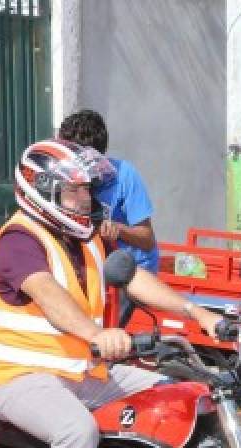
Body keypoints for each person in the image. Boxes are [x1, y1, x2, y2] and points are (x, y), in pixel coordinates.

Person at [0, 139, 224, 448]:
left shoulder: (86, 236)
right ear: (42, 189)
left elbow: (133, 277)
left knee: (180, 396)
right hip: (19, 378)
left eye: (88, 191)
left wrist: (197, 313)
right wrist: (95, 334)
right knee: (76, 432)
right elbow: (48, 295)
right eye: (75, 192)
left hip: (85, 373)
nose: (86, 201)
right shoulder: (19, 241)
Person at [57, 109, 158, 325]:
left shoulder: (124, 176)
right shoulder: (66, 176)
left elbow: (147, 239)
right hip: (91, 266)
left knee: (100, 332)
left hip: (128, 275)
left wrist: (117, 230)